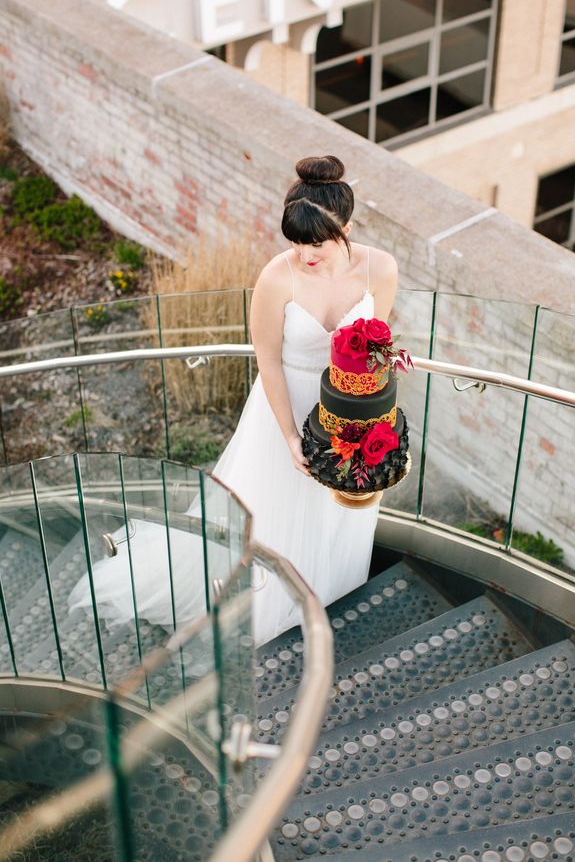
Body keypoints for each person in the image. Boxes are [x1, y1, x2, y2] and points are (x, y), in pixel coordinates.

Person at [69, 155, 398, 648]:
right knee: (275, 516)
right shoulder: (277, 277)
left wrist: (371, 421)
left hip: (347, 414)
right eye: (295, 241)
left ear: (347, 228)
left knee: (337, 513)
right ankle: (273, 615)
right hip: (283, 407)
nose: (305, 254)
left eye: (318, 243)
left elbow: (375, 350)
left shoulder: (381, 268)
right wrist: (290, 436)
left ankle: (329, 601)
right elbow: (267, 359)